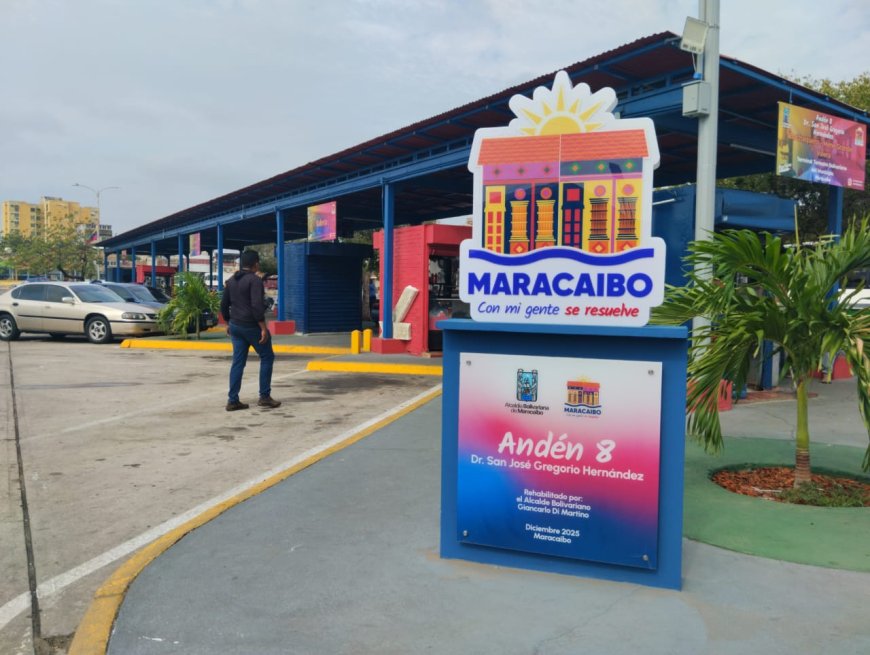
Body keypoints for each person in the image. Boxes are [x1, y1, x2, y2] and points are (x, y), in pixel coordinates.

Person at [220, 250, 281, 411]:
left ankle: (233, 400)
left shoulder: (231, 280)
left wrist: (227, 322)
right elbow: (256, 306)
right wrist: (263, 327)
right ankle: (264, 396)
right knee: (267, 356)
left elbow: (224, 304)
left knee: (238, 362)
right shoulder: (254, 280)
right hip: (251, 326)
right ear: (256, 264)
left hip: (235, 326)